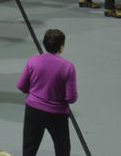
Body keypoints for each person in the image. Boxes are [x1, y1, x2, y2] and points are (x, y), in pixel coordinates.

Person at [17, 28, 77, 156]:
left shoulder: (33, 61)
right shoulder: (68, 67)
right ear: (61, 46)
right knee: (62, 149)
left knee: (29, 148)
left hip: (33, 110)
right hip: (57, 114)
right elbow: (71, 97)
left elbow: (21, 86)